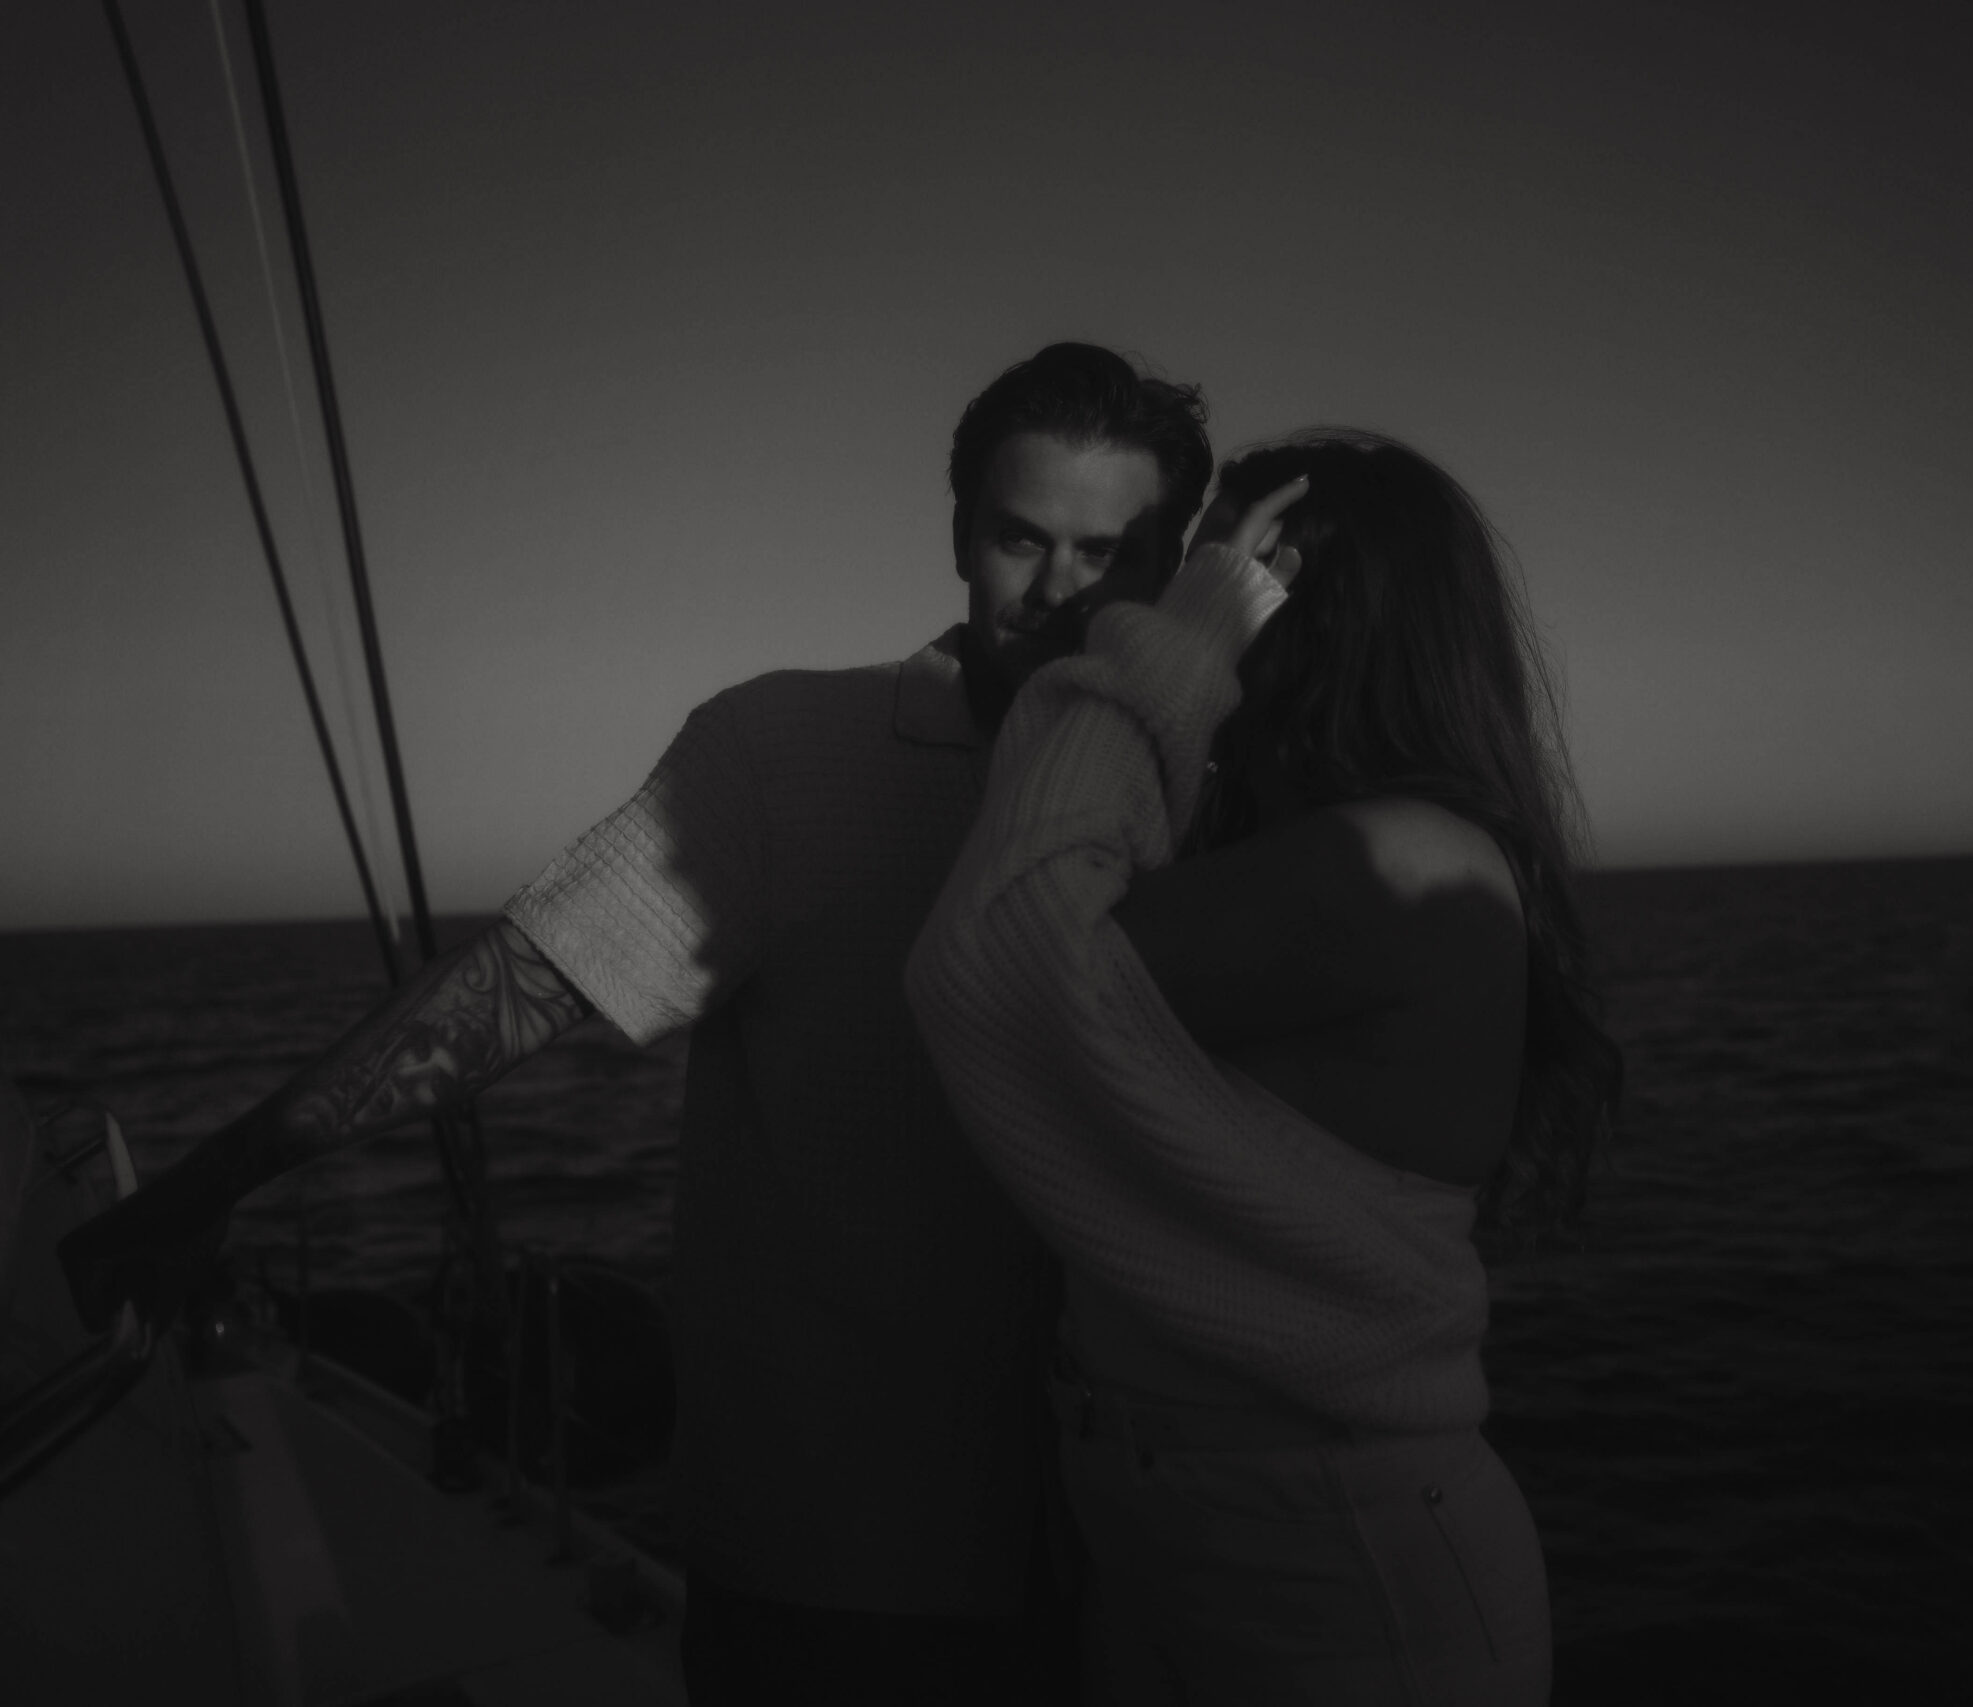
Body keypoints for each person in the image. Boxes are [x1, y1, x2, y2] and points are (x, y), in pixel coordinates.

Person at [58, 342, 1217, 1703]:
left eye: (1111, 552)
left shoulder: (1209, 793)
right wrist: (212, 1180)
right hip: (838, 1559)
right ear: (959, 535)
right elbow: (513, 987)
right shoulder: (783, 755)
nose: (1062, 594)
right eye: (1022, 539)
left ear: (1175, 566)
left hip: (1137, 1552)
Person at [904, 429, 1621, 1703]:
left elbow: (1005, 962)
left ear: (1301, 602)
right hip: (1207, 1548)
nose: (1157, 596)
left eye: (1220, 569)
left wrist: (1175, 650)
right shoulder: (1322, 851)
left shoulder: (1400, 859)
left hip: (1332, 1586)